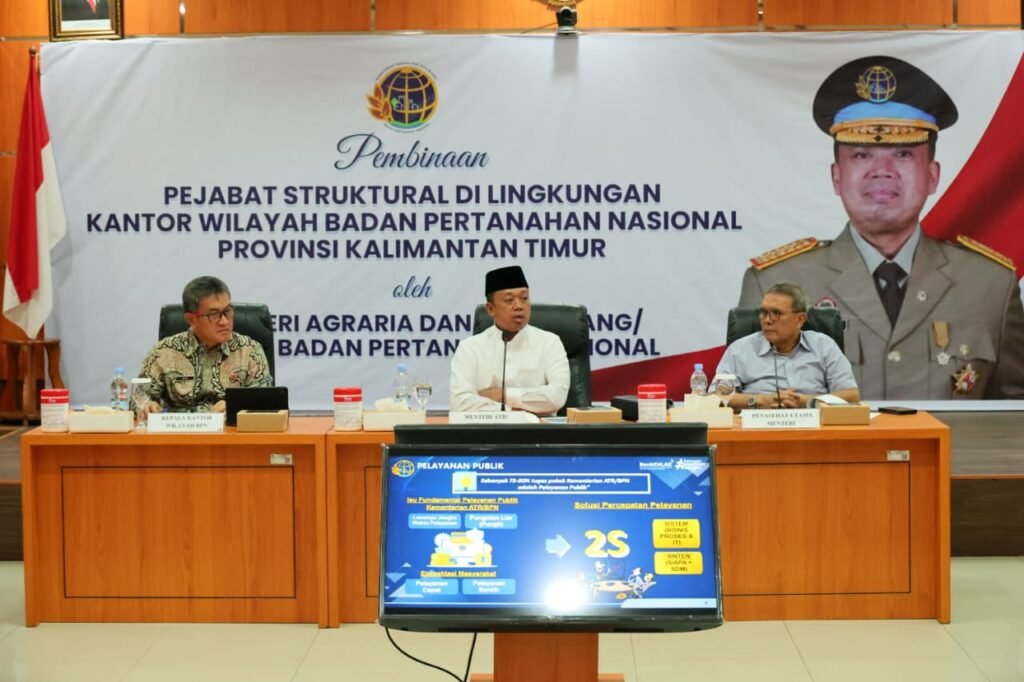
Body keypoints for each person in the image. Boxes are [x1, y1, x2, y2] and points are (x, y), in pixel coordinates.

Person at [739, 55, 1024, 400]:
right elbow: (746, 411)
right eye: (862, 155)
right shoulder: (773, 283)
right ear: (837, 176)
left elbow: (1014, 418)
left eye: (903, 154)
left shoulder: (990, 285)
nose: (882, 170)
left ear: (932, 176)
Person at [717, 283, 860, 411]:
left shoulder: (824, 346)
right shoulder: (740, 350)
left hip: (813, 427)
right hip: (757, 426)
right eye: (764, 313)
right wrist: (759, 400)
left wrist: (808, 402)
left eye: (776, 313)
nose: (767, 320)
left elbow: (852, 396)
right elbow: (716, 397)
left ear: (800, 319)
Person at [139, 276, 272, 412]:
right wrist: (147, 406)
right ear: (191, 319)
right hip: (180, 425)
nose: (225, 321)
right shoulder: (163, 352)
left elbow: (264, 400)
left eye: (227, 311)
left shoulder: (249, 350)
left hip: (230, 425)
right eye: (214, 314)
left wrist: (236, 405)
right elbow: (139, 398)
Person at [449, 265, 570, 415]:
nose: (519, 306)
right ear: (490, 309)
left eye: (524, 298)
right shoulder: (470, 348)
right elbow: (460, 403)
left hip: (538, 429)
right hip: (487, 429)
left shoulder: (549, 343)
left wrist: (503, 394)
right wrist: (512, 411)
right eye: (509, 300)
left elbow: (557, 396)